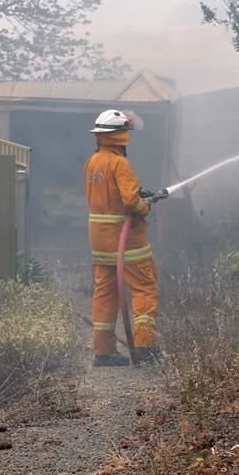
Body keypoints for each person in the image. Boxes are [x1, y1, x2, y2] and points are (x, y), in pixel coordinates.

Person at [84, 109, 160, 366]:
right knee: (144, 288)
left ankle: (103, 352)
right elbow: (130, 202)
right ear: (119, 135)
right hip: (126, 243)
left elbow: (106, 196)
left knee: (105, 293)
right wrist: (145, 205)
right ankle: (143, 347)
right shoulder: (120, 163)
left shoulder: (93, 162)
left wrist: (139, 194)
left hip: (100, 242)